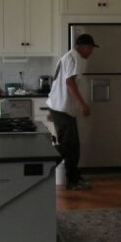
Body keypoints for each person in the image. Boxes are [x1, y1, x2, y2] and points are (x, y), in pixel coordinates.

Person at [47, 33, 98, 190]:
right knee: (68, 146)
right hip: (62, 109)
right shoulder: (73, 58)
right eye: (91, 48)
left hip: (61, 108)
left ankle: (73, 179)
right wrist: (83, 104)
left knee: (72, 146)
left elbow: (57, 83)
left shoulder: (69, 57)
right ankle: (43, 161)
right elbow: (69, 82)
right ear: (85, 47)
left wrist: (52, 107)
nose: (91, 52)